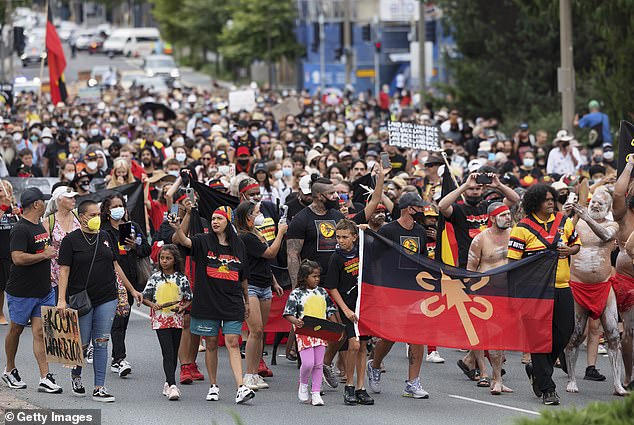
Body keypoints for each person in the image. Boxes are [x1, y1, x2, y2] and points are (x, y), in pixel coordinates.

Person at [56, 199, 143, 402]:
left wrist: (132, 289)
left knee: (102, 341)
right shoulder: (71, 241)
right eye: (93, 215)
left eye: (98, 214)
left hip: (107, 297)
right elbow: (64, 271)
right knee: (84, 344)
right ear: (82, 217)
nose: (97, 218)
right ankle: (76, 376)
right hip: (82, 300)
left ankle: (99, 387)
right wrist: (61, 300)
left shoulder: (104, 236)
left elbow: (116, 265)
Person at [171, 204, 255, 404]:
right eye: (213, 219)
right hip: (207, 302)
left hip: (232, 302)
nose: (215, 222)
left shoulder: (239, 245)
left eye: (220, 219)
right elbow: (181, 241)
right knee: (210, 344)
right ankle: (214, 386)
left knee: (233, 342)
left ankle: (240, 387)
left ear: (228, 222)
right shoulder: (202, 240)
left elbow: (243, 277)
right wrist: (177, 227)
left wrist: (246, 301)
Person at [507, 184, 580, 405]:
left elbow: (576, 244)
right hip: (535, 292)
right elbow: (513, 263)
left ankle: (537, 369)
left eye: (552, 199)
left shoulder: (563, 222)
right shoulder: (522, 228)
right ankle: (548, 389)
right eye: (546, 199)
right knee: (539, 340)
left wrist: (569, 251)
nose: (551, 202)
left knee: (564, 333)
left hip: (562, 287)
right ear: (535, 202)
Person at [367, 192, 430, 399]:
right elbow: (374, 260)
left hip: (415, 291)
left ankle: (412, 383)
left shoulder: (421, 231)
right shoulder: (388, 230)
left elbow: (423, 261)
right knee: (390, 336)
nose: (423, 211)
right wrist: (379, 288)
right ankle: (374, 365)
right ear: (408, 209)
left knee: (417, 336)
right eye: (419, 207)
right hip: (392, 290)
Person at [564, 190, 627, 396]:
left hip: (603, 286)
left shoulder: (611, 225)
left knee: (614, 335)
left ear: (608, 208)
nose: (596, 205)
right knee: (574, 335)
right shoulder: (576, 223)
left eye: (601, 203)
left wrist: (586, 217)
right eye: (594, 202)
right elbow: (558, 236)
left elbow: (606, 236)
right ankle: (572, 378)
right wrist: (565, 215)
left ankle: (617, 383)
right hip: (578, 286)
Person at [1, 188, 62, 393]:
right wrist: (44, 256)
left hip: (43, 290)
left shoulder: (39, 225)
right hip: (22, 291)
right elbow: (17, 258)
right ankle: (10, 369)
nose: (45, 203)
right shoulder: (20, 229)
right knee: (16, 330)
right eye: (43, 201)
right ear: (36, 204)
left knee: (40, 332)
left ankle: (45, 377)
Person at [286, 175, 344, 386]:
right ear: (319, 196)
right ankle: (309, 377)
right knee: (311, 332)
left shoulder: (337, 216)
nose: (335, 196)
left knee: (339, 330)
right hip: (311, 284)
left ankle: (325, 363)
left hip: (336, 282)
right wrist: (297, 286)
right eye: (331, 193)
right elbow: (293, 254)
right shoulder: (301, 219)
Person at [235, 201, 287, 391]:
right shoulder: (245, 237)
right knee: (254, 331)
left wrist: (274, 282)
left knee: (260, 332)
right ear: (248, 217)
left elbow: (262, 263)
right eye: (257, 212)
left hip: (265, 286)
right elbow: (270, 253)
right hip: (251, 288)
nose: (261, 215)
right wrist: (280, 232)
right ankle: (248, 374)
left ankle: (255, 373)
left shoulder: (256, 234)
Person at [100, 194, 151, 378]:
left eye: (121, 205)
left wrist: (135, 246)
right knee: (118, 319)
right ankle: (119, 359)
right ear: (107, 210)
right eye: (114, 206)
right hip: (112, 280)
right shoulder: (104, 230)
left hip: (133, 279)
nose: (118, 209)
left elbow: (147, 249)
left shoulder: (133, 227)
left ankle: (115, 356)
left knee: (123, 319)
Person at [464, 202, 513, 395]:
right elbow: (470, 269)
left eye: (509, 214)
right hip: (484, 292)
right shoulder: (480, 239)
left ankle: (496, 377)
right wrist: (471, 294)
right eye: (503, 215)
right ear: (492, 218)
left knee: (501, 336)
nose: (508, 218)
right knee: (483, 333)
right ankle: (486, 373)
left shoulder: (515, 235)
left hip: (507, 293)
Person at [327, 219, 374, 406]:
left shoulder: (362, 252)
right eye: (338, 237)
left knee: (363, 347)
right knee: (352, 345)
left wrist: (367, 231)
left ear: (354, 237)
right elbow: (332, 287)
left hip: (363, 306)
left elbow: (377, 245)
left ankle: (361, 388)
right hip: (347, 308)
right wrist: (345, 310)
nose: (341, 240)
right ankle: (349, 385)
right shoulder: (336, 257)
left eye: (345, 237)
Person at [283, 260, 338, 406]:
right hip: (304, 332)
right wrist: (295, 321)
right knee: (308, 363)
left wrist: (334, 324)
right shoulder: (296, 293)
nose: (317, 279)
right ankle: (303, 383)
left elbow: (330, 309)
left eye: (318, 276)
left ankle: (316, 392)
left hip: (320, 332)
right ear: (304, 277)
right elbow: (288, 313)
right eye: (314, 276)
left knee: (318, 364)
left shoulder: (322, 292)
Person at [142, 244, 193, 401]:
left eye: (168, 258)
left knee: (174, 351)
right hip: (160, 320)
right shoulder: (154, 278)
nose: (164, 261)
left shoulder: (181, 279)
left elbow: (189, 298)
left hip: (176, 319)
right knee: (167, 352)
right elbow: (145, 298)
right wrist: (153, 305)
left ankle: (167, 382)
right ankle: (172, 384)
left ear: (174, 260)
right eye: (162, 258)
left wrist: (182, 308)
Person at [438, 171, 520, 268]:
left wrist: (499, 185)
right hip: (467, 264)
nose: (475, 192)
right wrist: (465, 186)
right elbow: (442, 206)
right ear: (464, 192)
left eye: (478, 188)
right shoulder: (458, 209)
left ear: (482, 190)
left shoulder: (489, 206)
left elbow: (514, 199)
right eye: (471, 189)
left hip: (490, 263)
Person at [609, 156, 634, 389]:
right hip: (629, 279)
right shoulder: (623, 214)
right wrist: (630, 163)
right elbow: (617, 194)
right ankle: (628, 375)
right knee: (631, 329)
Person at [44, 185, 81, 301]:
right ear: (59, 200)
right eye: (69, 197)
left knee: (80, 308)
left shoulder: (79, 217)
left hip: (78, 270)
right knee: (60, 310)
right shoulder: (48, 221)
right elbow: (44, 249)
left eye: (74, 197)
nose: (73, 200)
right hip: (56, 273)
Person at [0, 180, 20, 325]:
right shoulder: (3, 207)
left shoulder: (14, 207)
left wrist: (19, 213)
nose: (2, 189)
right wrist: (3, 207)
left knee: (17, 284)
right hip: (1, 250)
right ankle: (0, 313)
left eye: (5, 187)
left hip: (14, 250)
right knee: (1, 285)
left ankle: (20, 313)